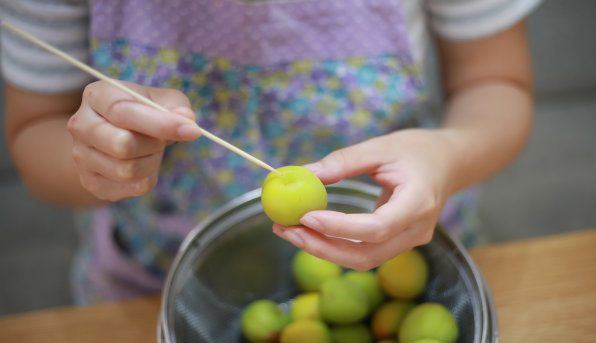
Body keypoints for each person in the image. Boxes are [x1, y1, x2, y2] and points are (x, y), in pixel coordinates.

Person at [0, 0, 541, 304]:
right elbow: (33, 132)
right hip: (160, 280)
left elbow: (497, 84)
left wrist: (447, 155)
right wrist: (99, 158)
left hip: (406, 253)